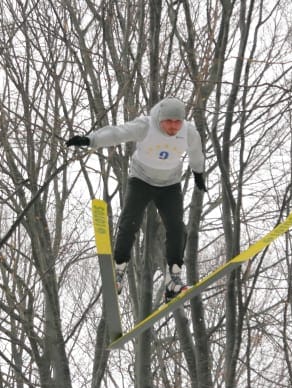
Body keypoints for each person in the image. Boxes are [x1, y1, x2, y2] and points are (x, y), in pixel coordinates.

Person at [66, 97, 206, 300]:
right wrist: (90, 140)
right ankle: (119, 269)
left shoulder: (188, 132)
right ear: (160, 119)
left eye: (178, 122)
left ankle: (173, 279)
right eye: (169, 122)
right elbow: (117, 133)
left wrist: (198, 172)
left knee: (176, 227)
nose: (173, 127)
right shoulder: (146, 126)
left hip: (170, 185)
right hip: (141, 180)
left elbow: (196, 151)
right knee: (129, 222)